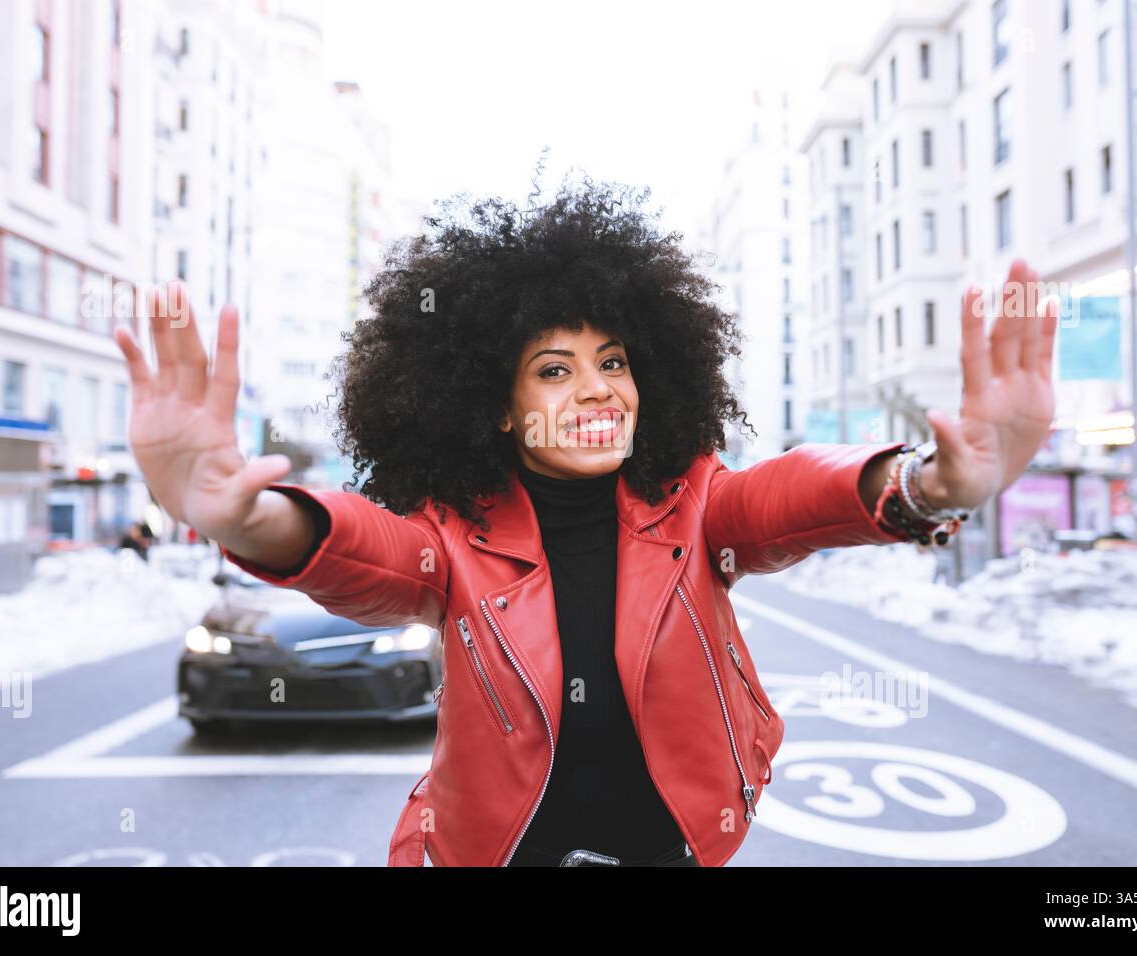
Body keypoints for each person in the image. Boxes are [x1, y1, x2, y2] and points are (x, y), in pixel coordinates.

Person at [112, 175, 1058, 867]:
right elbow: (362, 550)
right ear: (494, 402)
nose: (598, 387)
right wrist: (246, 521)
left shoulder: (696, 502)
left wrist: (929, 486)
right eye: (555, 370)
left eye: (613, 361)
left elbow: (794, 497)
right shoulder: (453, 534)